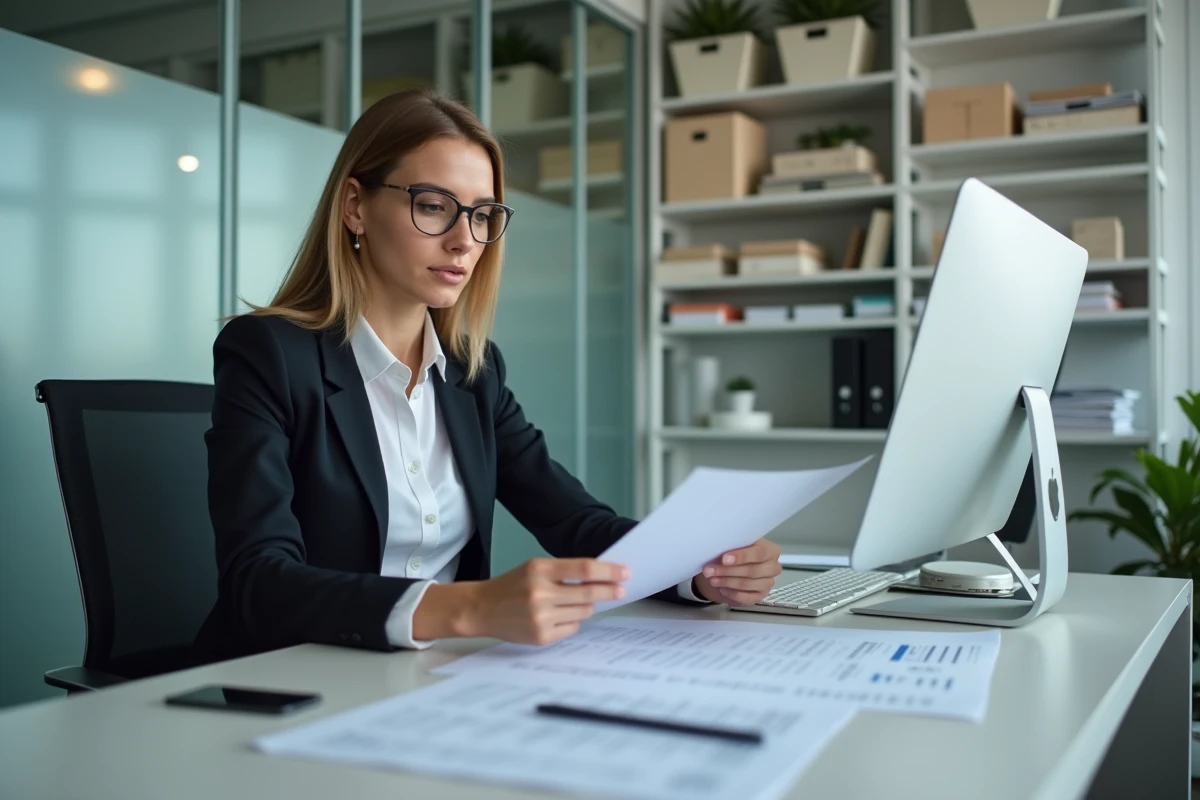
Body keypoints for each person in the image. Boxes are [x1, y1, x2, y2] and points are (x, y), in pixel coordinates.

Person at [194, 88, 781, 663]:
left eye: (482, 214)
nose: (463, 240)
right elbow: (259, 581)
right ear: (355, 206)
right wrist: (468, 608)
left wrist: (701, 571)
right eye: (432, 205)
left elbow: (577, 523)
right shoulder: (270, 353)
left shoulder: (473, 373)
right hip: (293, 681)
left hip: (438, 679)